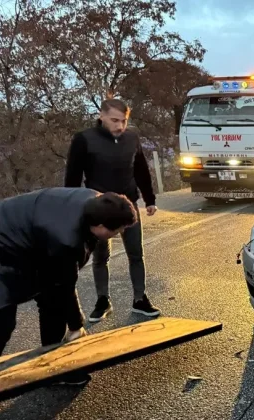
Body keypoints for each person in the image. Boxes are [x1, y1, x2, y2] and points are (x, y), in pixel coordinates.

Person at [0, 188, 137, 383]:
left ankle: (53, 367)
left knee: (51, 302)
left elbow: (57, 287)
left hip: (29, 242)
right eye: (116, 230)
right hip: (5, 242)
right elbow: (64, 285)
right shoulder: (65, 239)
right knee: (3, 320)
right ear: (98, 225)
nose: (119, 233)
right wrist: (76, 326)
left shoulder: (96, 202)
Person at [64, 98, 161, 322]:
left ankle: (140, 299)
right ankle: (102, 300)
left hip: (129, 207)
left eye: (124, 121)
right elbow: (73, 177)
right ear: (102, 116)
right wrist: (71, 207)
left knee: (136, 254)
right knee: (101, 257)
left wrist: (150, 199)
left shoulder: (132, 138)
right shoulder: (84, 139)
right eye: (114, 120)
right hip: (99, 209)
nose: (119, 126)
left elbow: (141, 169)